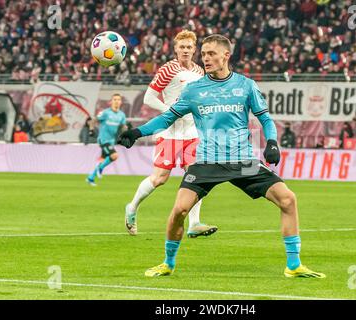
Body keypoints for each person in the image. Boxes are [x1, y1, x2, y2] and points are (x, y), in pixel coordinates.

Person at [118, 34, 325, 279]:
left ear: (226, 55)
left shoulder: (245, 85)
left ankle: (293, 265)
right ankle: (167, 263)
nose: (206, 58)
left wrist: (271, 142)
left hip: (243, 161)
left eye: (211, 53)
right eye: (203, 54)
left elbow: (265, 119)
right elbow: (167, 118)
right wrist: (137, 132)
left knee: (288, 200)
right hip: (207, 161)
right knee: (179, 211)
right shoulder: (193, 89)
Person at [124, 30, 217, 238]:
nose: (185, 50)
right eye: (182, 47)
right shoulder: (168, 69)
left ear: (195, 50)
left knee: (195, 176)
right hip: (170, 132)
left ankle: (194, 224)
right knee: (159, 178)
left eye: (189, 47)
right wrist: (171, 112)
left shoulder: (200, 72)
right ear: (175, 49)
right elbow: (149, 97)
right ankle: (132, 207)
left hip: (192, 133)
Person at [86, 94, 127, 186]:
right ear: (111, 101)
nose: (116, 101)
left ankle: (90, 178)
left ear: (121, 102)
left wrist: (126, 133)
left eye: (118, 100)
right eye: (115, 99)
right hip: (103, 140)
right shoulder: (105, 112)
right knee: (114, 155)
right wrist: (91, 130)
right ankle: (100, 168)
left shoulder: (122, 115)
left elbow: (123, 126)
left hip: (111, 141)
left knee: (104, 159)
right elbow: (93, 120)